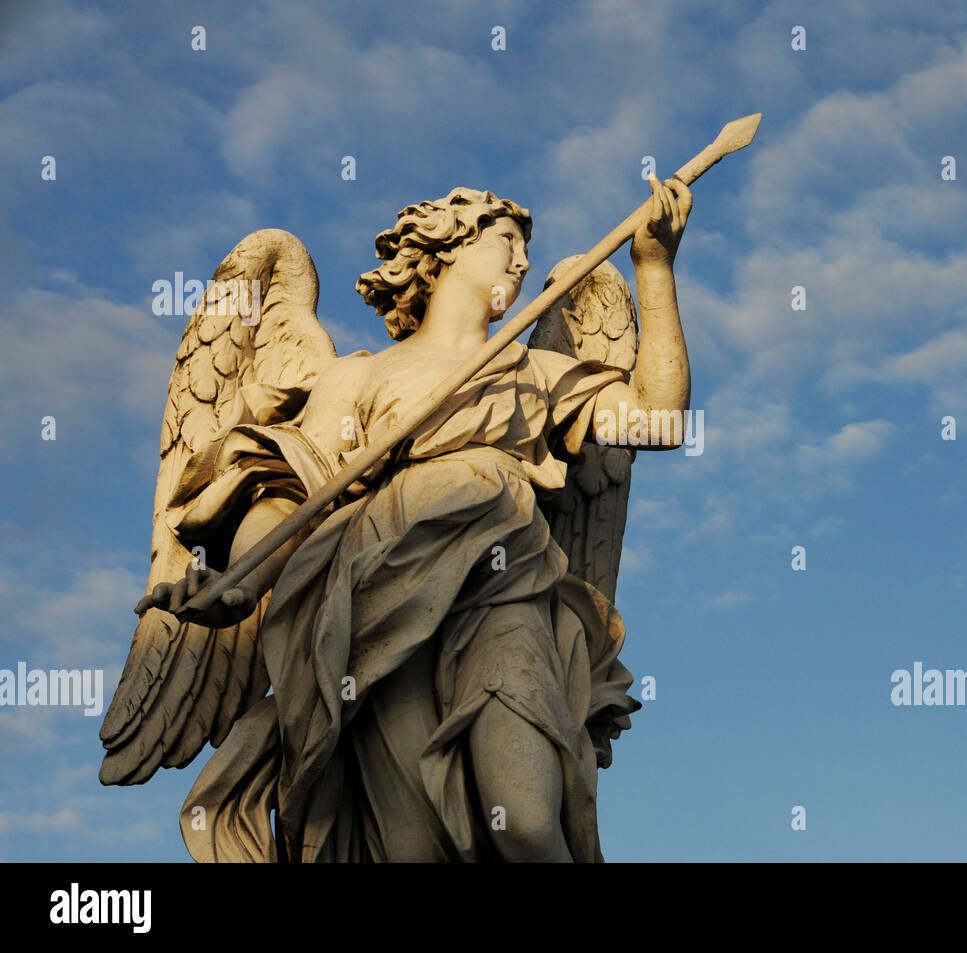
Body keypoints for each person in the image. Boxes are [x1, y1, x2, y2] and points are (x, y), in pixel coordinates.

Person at [136, 176, 693, 862]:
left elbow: (657, 418)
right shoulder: (361, 378)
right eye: (507, 241)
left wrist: (654, 268)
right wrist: (242, 585)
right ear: (449, 245)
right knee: (409, 844)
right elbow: (291, 493)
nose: (521, 261)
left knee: (525, 824)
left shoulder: (534, 369)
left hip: (503, 589)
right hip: (376, 603)